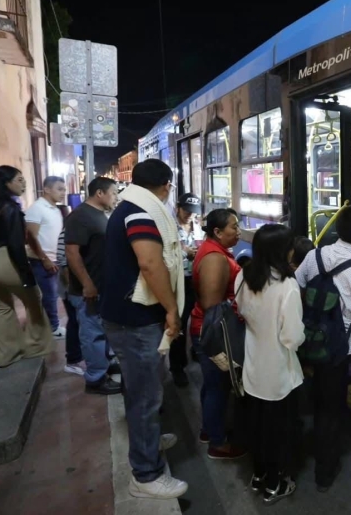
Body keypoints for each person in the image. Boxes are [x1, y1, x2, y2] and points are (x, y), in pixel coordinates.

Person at [101, 160, 188, 500]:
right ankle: (146, 474)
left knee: (142, 390)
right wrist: (171, 309)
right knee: (145, 397)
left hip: (126, 316)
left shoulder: (128, 206)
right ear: (166, 186)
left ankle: (148, 444)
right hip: (135, 320)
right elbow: (151, 264)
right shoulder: (141, 213)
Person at [294, 205, 351, 492]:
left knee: (321, 396)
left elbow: (297, 289)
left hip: (310, 338)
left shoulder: (314, 255)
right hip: (342, 350)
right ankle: (325, 470)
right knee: (331, 410)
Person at [236, 224, 304, 504]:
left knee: (256, 424)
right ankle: (275, 484)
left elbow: (241, 310)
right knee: (279, 430)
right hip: (278, 372)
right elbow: (291, 338)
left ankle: (258, 474)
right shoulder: (287, 286)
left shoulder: (245, 274)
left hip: (252, 365)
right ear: (282, 251)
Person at [0, 166, 53, 367]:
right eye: (19, 180)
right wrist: (26, 275)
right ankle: (35, 346)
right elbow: (16, 245)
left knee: (2, 308)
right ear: (6, 183)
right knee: (33, 301)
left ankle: (6, 355)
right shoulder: (10, 208)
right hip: (5, 260)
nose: (24, 183)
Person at [190, 208, 247, 460]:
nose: (238, 231)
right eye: (233, 227)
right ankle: (217, 442)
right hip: (212, 332)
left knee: (213, 385)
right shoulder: (214, 258)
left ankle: (208, 430)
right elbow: (213, 305)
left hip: (206, 328)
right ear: (217, 231)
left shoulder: (216, 251)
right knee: (217, 388)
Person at [65, 177, 121, 395]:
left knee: (102, 329)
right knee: (92, 333)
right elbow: (72, 253)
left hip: (101, 286)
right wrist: (87, 284)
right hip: (87, 289)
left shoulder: (98, 215)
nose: (115, 197)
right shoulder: (80, 217)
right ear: (100, 193)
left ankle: (104, 364)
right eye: (113, 193)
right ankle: (96, 378)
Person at [26, 176, 67, 337]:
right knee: (48, 296)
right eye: (59, 189)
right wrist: (44, 259)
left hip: (55, 259)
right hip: (41, 260)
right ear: (47, 189)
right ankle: (52, 328)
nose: (63, 192)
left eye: (64, 189)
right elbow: (30, 236)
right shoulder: (37, 208)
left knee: (54, 295)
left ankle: (51, 326)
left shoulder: (56, 209)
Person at [170, 192, 201, 387]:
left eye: (193, 212)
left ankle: (195, 351)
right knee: (178, 325)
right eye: (187, 211)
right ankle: (177, 367)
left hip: (195, 280)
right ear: (178, 208)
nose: (190, 215)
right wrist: (185, 253)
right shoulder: (169, 227)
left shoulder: (197, 226)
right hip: (177, 281)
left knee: (198, 319)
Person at [56, 205, 84, 375]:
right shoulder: (67, 234)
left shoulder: (74, 233)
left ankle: (77, 357)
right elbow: (64, 262)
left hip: (72, 287)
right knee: (74, 321)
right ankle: (73, 360)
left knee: (78, 321)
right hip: (70, 288)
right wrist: (71, 288)